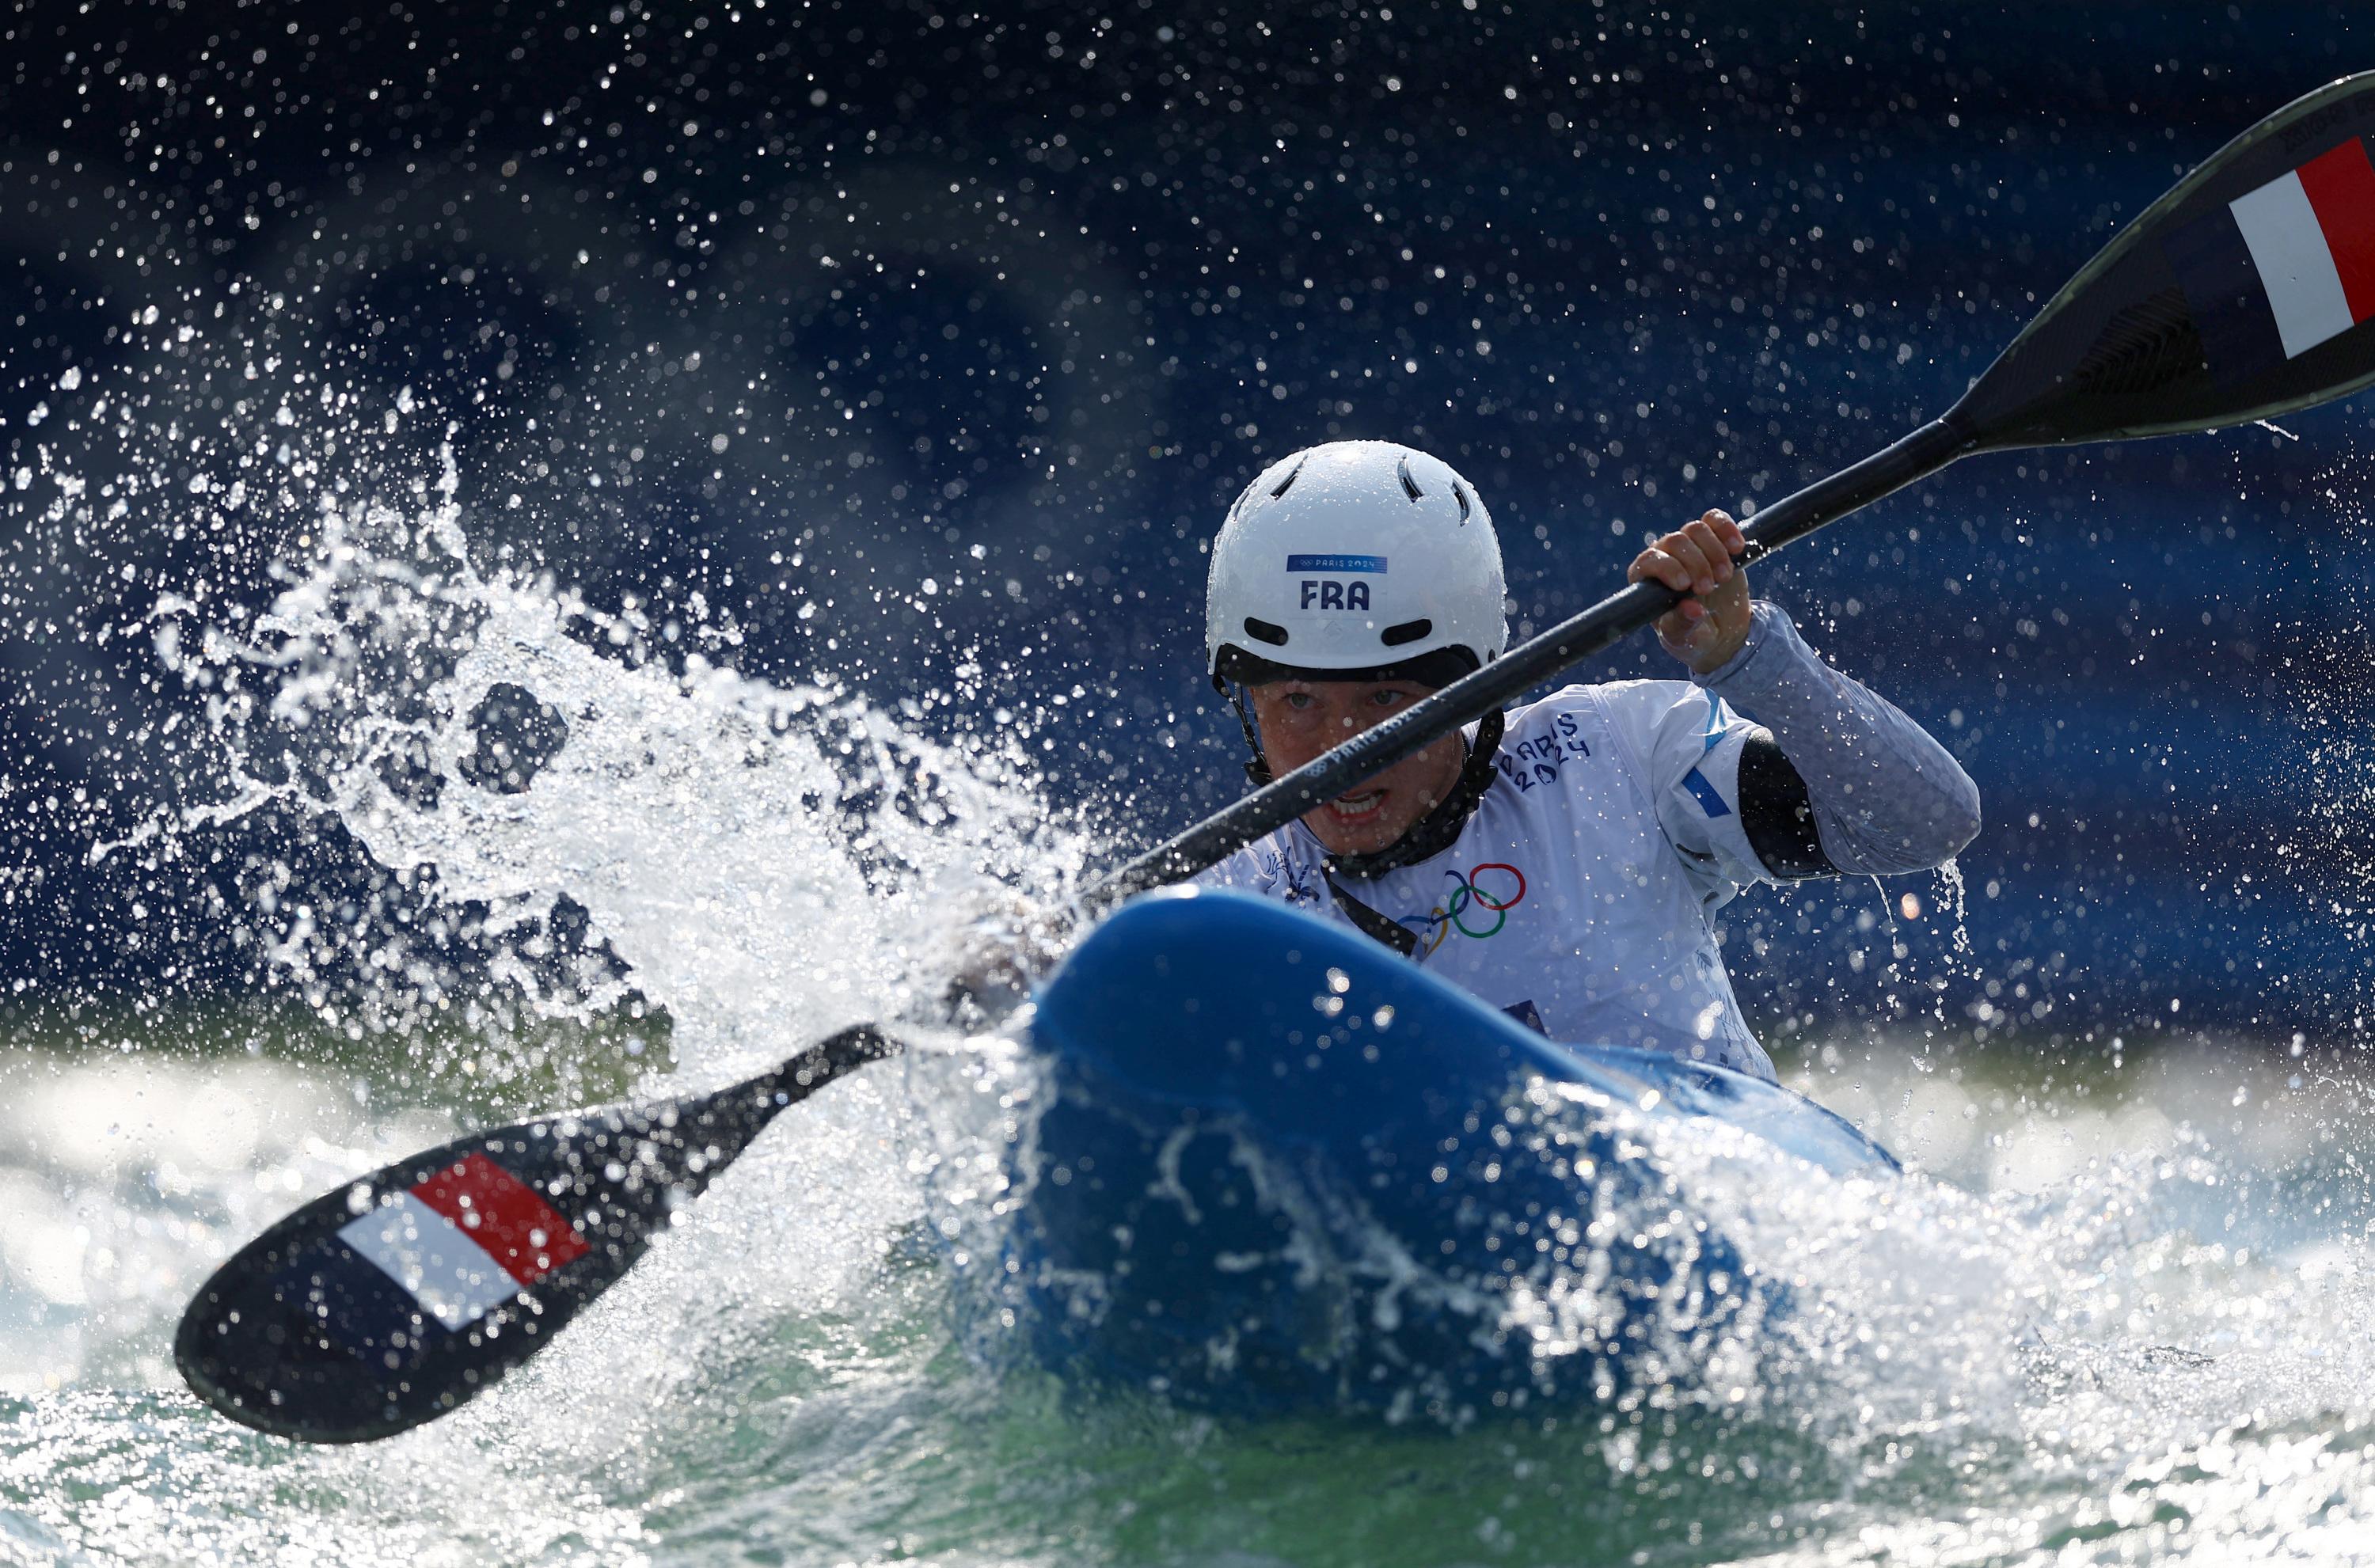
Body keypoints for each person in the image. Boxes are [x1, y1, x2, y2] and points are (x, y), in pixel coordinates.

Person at [1196, 439, 1980, 1084]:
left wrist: (1751, 658)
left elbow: (1926, 824)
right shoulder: (1227, 907)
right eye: (1297, 701)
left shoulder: (1621, 758)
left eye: (1387, 698)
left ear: (1467, 680)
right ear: (1243, 699)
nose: (1340, 747)